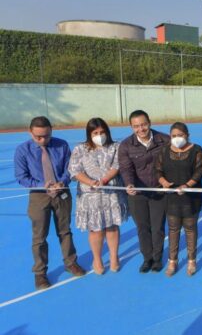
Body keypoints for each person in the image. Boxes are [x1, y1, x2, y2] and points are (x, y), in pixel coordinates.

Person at [14, 116, 86, 289]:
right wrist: (41, 185)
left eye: (46, 136)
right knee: (39, 237)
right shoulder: (22, 150)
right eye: (38, 136)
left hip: (62, 194)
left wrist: (62, 182)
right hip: (39, 196)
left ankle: (70, 262)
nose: (42, 140)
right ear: (30, 132)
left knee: (65, 231)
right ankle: (40, 273)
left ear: (51, 130)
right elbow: (21, 177)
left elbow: (70, 168)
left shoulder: (62, 145)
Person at [68, 117, 128, 275]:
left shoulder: (116, 146)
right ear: (89, 134)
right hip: (90, 195)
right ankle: (97, 259)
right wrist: (90, 182)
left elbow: (117, 165)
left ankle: (114, 257)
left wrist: (105, 179)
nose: (99, 135)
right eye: (95, 132)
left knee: (112, 226)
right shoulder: (80, 149)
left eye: (102, 132)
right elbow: (74, 170)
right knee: (96, 229)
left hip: (112, 193)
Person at [119, 110, 170, 273]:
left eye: (143, 124)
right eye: (136, 126)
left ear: (149, 123)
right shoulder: (126, 145)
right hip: (137, 194)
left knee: (158, 227)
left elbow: (171, 163)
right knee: (142, 227)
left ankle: (157, 258)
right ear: (131, 127)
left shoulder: (165, 140)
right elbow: (126, 169)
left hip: (159, 191)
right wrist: (129, 184)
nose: (141, 129)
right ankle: (147, 258)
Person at [156, 122, 202, 277]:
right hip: (172, 199)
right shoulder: (164, 151)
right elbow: (158, 169)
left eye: (180, 135)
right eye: (173, 136)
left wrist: (187, 185)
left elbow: (199, 171)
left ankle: (192, 260)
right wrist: (163, 182)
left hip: (190, 198)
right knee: (173, 230)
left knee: (190, 229)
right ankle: (173, 260)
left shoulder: (197, 150)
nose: (177, 138)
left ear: (187, 135)